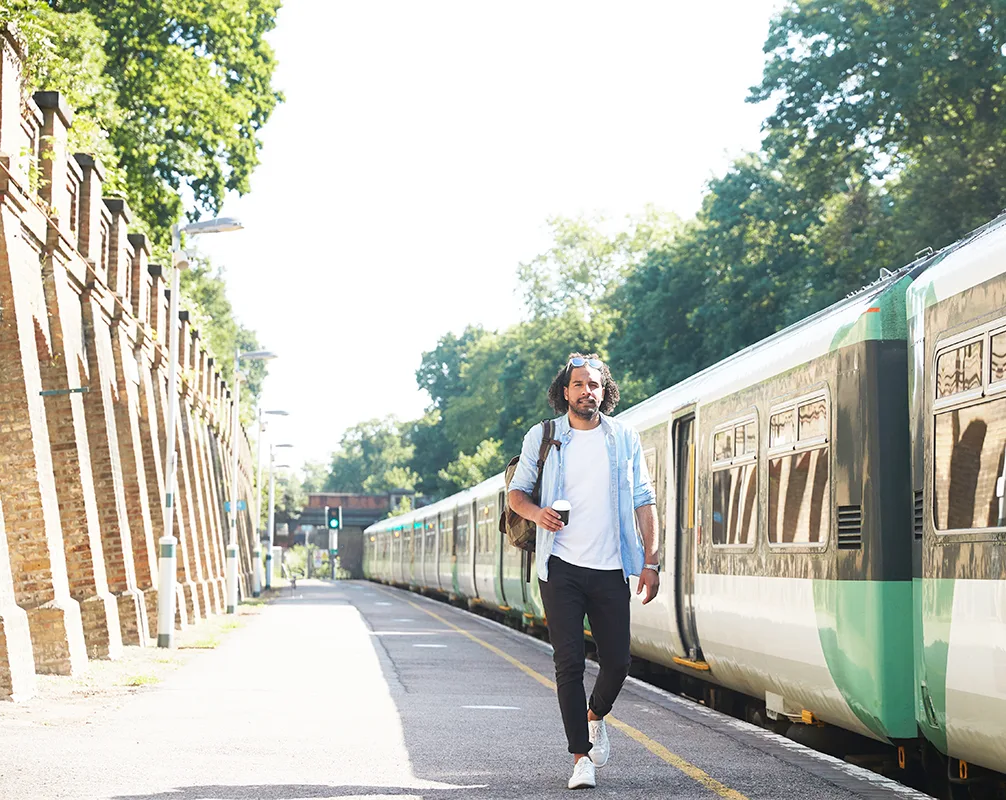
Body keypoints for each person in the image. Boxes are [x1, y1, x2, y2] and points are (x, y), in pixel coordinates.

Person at [508, 353, 659, 790]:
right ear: (565, 390)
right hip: (560, 567)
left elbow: (644, 500)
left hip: (612, 567)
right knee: (568, 663)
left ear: (603, 391)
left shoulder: (624, 438)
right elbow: (517, 495)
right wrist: (538, 515)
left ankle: (595, 716)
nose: (585, 391)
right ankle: (581, 757)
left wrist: (651, 560)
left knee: (617, 662)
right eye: (578, 384)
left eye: (593, 384)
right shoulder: (545, 435)